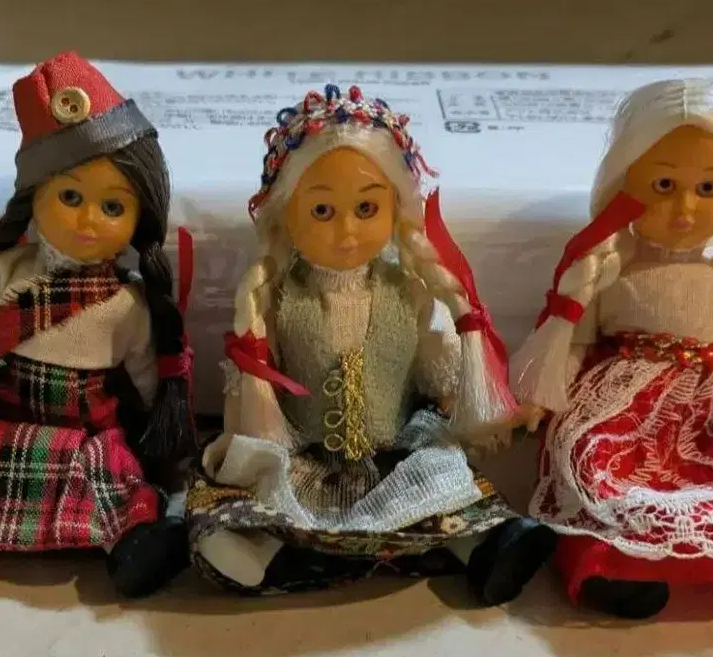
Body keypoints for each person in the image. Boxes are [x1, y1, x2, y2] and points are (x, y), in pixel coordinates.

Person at [185, 84, 556, 600]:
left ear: (395, 208)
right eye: (322, 211)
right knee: (256, 505)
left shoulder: (409, 292)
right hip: (309, 457)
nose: (347, 232)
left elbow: (440, 370)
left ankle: (485, 547)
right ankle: (262, 553)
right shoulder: (278, 299)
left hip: (395, 453)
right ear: (286, 213)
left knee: (443, 478)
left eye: (366, 208)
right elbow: (248, 390)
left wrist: (489, 408)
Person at [0, 51, 197, 612]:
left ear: (138, 217)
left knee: (108, 484)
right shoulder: (5, 274)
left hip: (84, 432)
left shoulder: (127, 303)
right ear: (33, 198)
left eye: (112, 206)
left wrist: (157, 430)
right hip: (0, 418)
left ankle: (132, 549)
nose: (88, 219)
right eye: (70, 197)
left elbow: (145, 373)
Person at [511, 77, 713, 619]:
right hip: (624, 405)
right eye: (664, 184)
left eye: (708, 188)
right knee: (600, 472)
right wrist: (540, 395)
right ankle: (615, 566)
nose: (685, 208)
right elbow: (575, 341)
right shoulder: (609, 269)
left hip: (712, 407)